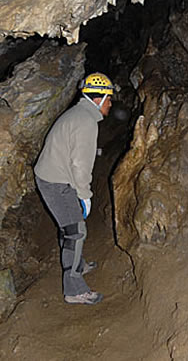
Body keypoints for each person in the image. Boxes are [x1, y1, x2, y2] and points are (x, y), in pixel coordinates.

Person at [34, 72, 114, 305]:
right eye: (108, 99)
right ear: (97, 100)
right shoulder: (86, 122)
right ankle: (74, 289)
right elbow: (81, 165)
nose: (110, 103)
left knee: (69, 226)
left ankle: (77, 263)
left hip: (52, 176)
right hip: (56, 182)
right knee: (76, 231)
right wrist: (84, 196)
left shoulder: (79, 114)